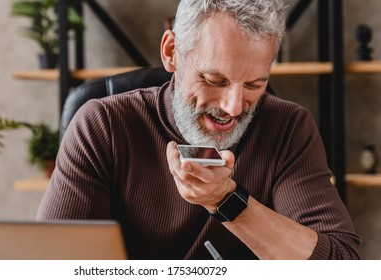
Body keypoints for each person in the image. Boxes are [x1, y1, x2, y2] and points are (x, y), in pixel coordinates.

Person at [37, 0, 360, 259]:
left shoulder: (288, 128)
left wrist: (227, 201)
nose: (234, 107)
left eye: (254, 85)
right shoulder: (102, 125)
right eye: (214, 80)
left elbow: (340, 264)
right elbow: (51, 265)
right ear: (171, 52)